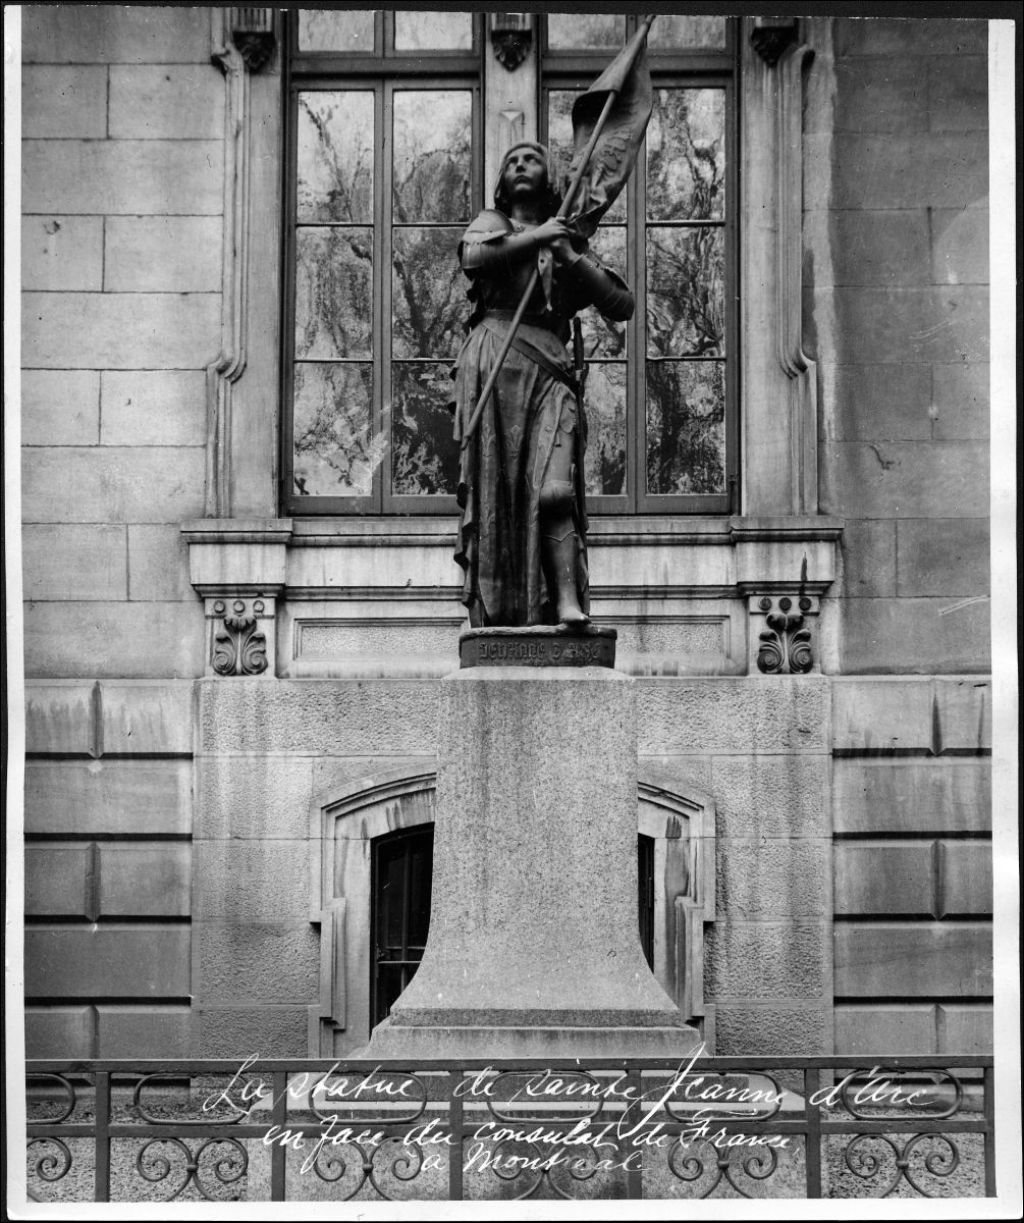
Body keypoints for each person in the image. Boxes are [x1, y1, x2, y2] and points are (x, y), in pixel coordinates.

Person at [452, 142, 634, 629]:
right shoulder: (492, 222)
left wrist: (567, 251)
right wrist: (536, 238)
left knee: (555, 489)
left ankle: (566, 602)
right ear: (501, 181)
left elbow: (622, 304)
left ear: (549, 176)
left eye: (530, 159)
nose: (519, 166)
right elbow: (473, 255)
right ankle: (501, 611)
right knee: (499, 494)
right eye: (511, 161)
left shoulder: (565, 238)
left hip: (550, 372)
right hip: (495, 364)